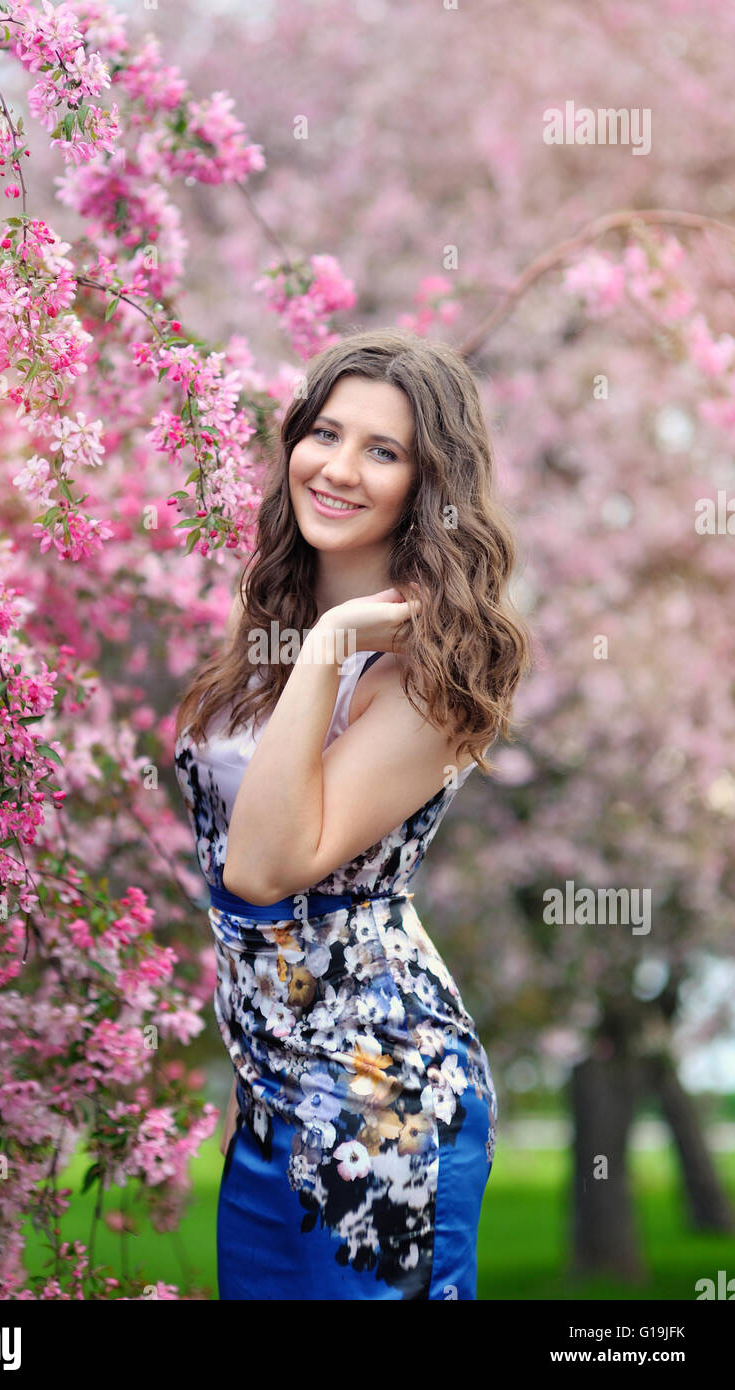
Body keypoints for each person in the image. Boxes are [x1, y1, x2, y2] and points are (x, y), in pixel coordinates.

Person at [173, 327, 533, 1299]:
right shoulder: (269, 634)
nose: (337, 468)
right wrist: (315, 636)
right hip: (266, 1100)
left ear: (427, 484)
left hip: (381, 1101)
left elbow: (260, 870)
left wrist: (334, 638)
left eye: (383, 450)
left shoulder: (430, 675)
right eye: (324, 433)